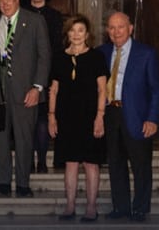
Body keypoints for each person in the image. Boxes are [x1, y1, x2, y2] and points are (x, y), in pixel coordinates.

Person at [0, 0, 51, 197]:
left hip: (26, 91)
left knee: (24, 139)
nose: (5, 4)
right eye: (0, 1)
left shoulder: (34, 21)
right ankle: (3, 183)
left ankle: (23, 184)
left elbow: (44, 57)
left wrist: (37, 87)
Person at [98, 12, 159, 222]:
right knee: (115, 164)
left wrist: (152, 119)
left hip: (137, 116)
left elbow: (156, 90)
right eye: (112, 27)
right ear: (107, 31)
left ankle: (140, 208)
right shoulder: (102, 52)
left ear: (130, 28)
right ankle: (121, 207)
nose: (116, 32)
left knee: (141, 165)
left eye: (121, 27)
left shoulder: (146, 53)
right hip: (111, 114)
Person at [48, 14, 107, 222]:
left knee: (91, 162)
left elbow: (102, 90)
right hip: (66, 117)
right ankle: (70, 205)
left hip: (90, 116)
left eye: (80, 30)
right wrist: (51, 117)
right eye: (72, 30)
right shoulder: (59, 57)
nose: (76, 34)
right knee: (70, 162)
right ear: (67, 34)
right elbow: (53, 90)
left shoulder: (96, 57)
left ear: (87, 34)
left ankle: (91, 207)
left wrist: (100, 117)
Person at [26, 0, 63, 172]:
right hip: (25, 74)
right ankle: (28, 159)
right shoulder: (21, 14)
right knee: (28, 120)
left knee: (42, 118)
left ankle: (41, 160)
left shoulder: (55, 16)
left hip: (48, 75)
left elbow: (57, 47)